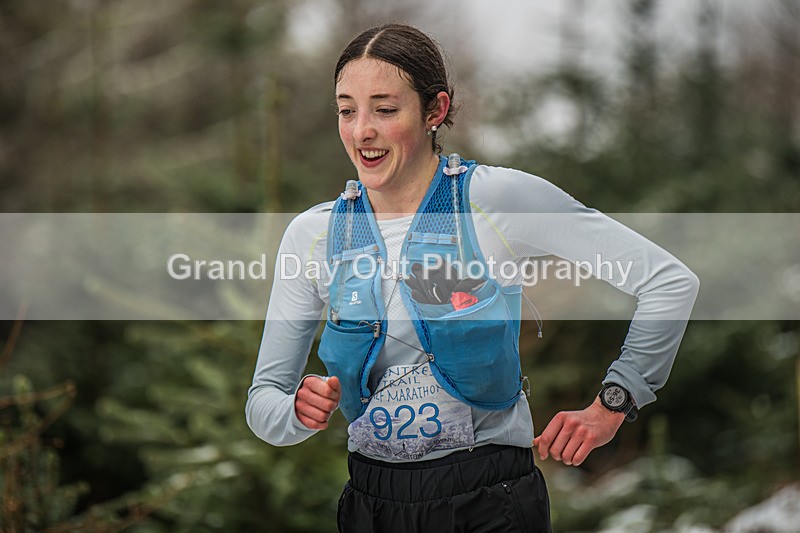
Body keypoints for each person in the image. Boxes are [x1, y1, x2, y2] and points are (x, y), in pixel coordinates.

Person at [246, 23, 699, 532]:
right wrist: (297, 413)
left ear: (435, 111)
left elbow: (667, 281)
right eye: (347, 110)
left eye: (385, 109)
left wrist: (614, 402)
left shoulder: (499, 202)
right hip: (371, 506)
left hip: (490, 501)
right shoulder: (313, 234)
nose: (361, 131)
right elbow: (264, 403)